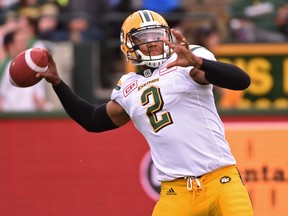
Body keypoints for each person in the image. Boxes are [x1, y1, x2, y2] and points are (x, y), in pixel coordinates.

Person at [37, 10, 254, 215]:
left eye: (157, 35)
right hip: (175, 191)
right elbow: (92, 120)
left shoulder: (187, 60)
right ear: (129, 45)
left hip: (221, 181)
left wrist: (199, 62)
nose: (153, 43)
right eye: (144, 38)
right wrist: (57, 83)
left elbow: (241, 81)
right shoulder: (128, 86)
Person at [0, 30, 51, 111]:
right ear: (10, 45)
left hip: (30, 118)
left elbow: (38, 98)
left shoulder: (34, 67)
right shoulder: (4, 68)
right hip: (11, 118)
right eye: (20, 42)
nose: (25, 45)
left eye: (24, 42)